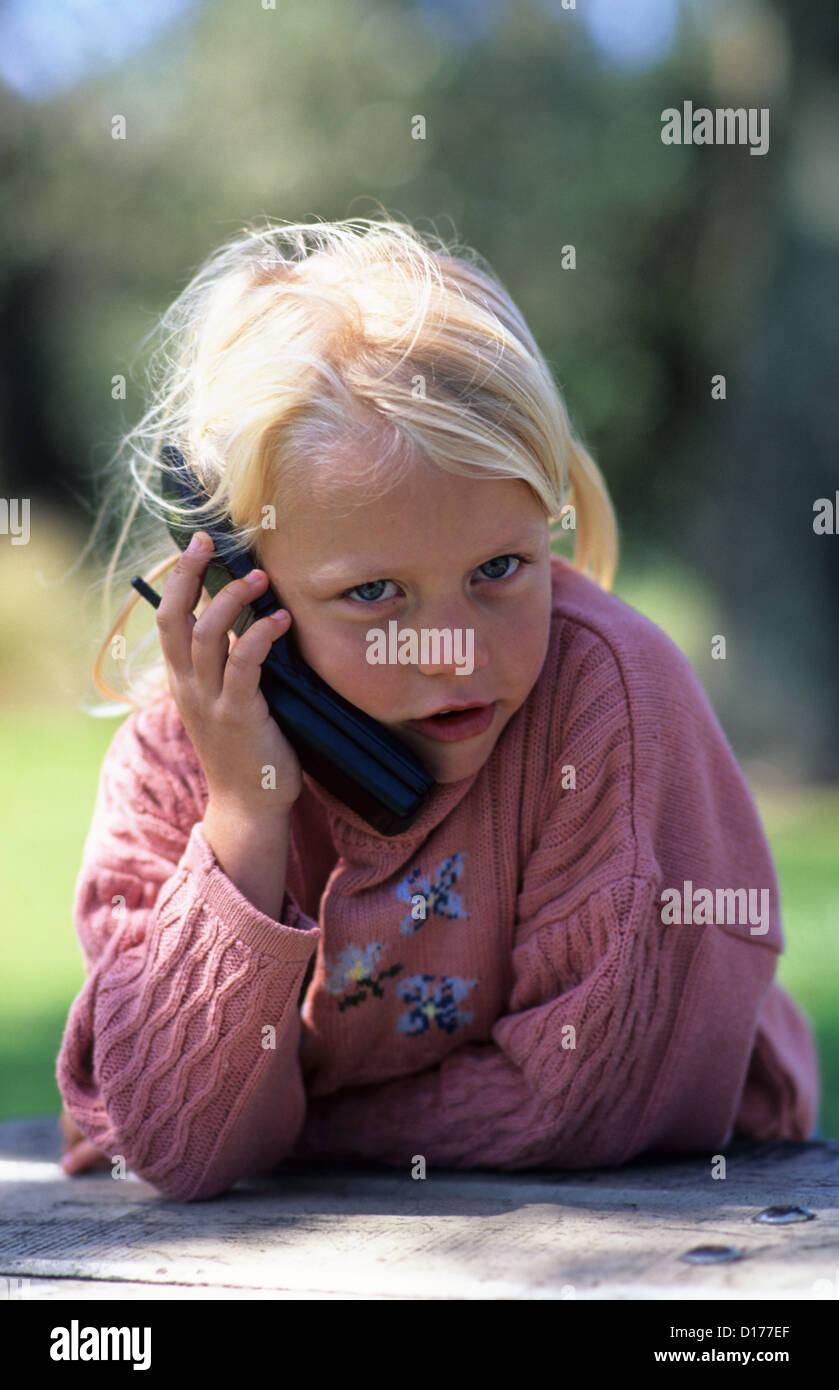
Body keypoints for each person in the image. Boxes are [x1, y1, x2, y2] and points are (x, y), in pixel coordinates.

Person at [56, 213, 820, 1201]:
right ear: (246, 587)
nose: (452, 648)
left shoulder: (608, 703)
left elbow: (591, 1100)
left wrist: (299, 1124)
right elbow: (175, 1141)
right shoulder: (180, 756)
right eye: (372, 594)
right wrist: (245, 820)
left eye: (500, 568)